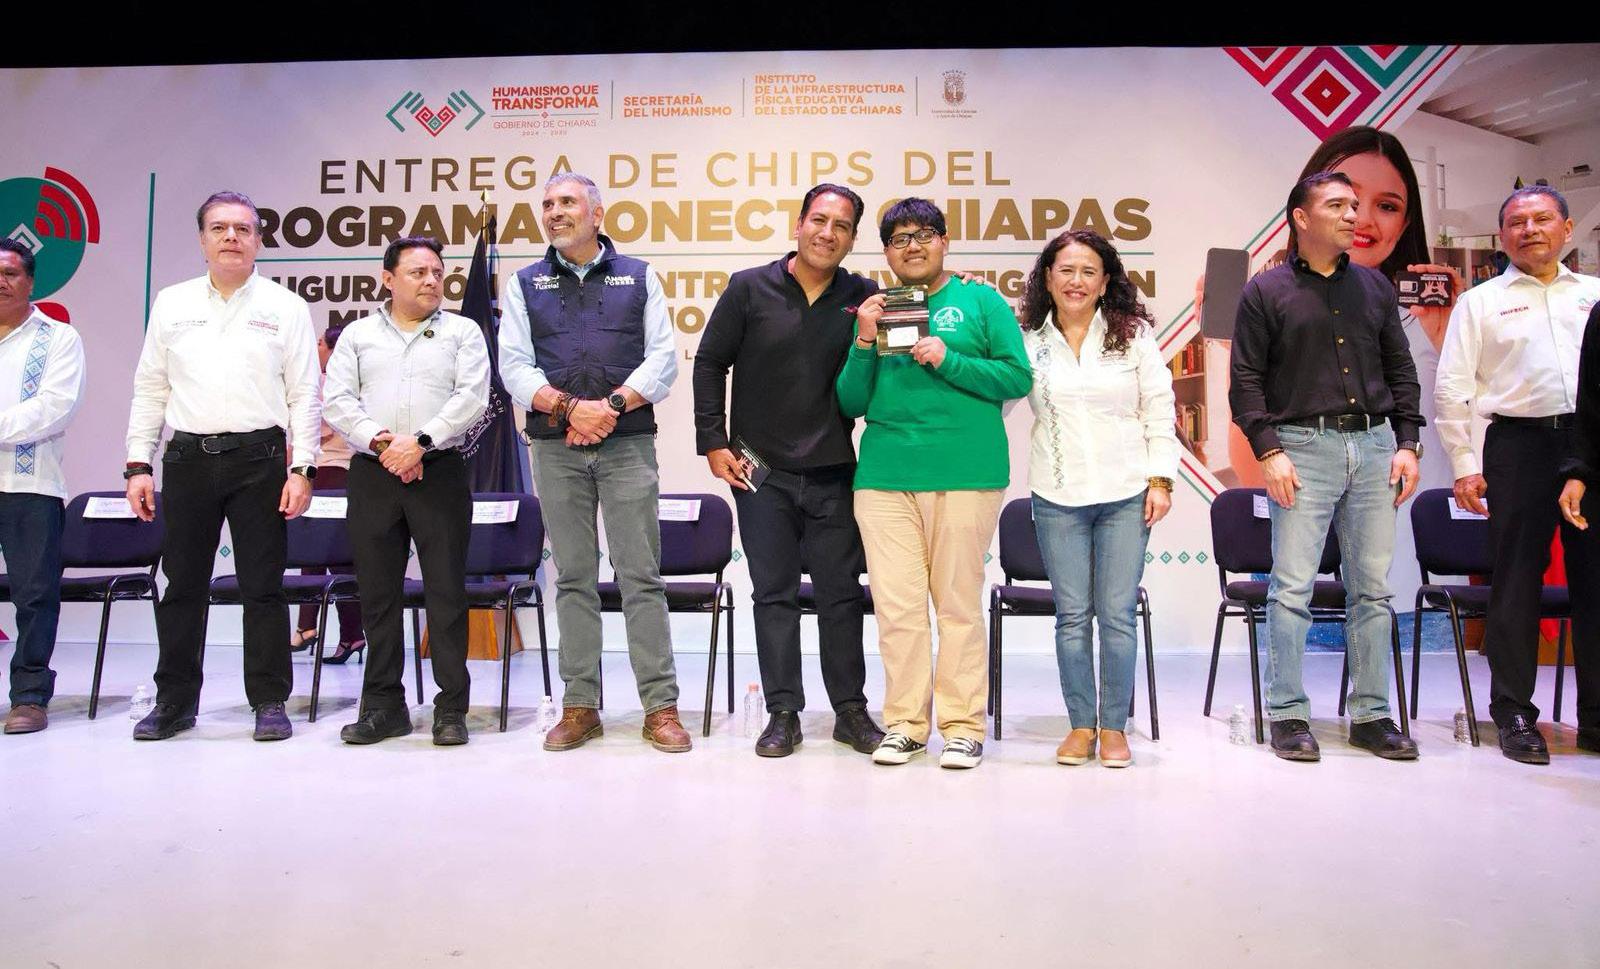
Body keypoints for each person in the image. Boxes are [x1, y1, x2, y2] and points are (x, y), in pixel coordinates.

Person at [1230, 171, 1423, 762]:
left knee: (1373, 590)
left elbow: (1401, 370)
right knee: (1291, 588)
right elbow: (1245, 382)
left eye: (1355, 205)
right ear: (1301, 217)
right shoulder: (1265, 292)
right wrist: (1269, 451)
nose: (1352, 216)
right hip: (1301, 448)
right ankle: (1288, 713)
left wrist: (1408, 442)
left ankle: (1371, 714)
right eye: (1337, 205)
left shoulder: (1374, 288)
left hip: (1375, 446)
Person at [498, 173, 690, 753]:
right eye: (547, 204)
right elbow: (513, 365)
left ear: (597, 214)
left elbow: (663, 359)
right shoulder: (524, 283)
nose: (555, 212)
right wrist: (568, 409)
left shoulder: (639, 276)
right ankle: (580, 705)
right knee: (574, 578)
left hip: (626, 442)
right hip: (555, 447)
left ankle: (660, 708)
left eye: (567, 203)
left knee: (641, 577)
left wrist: (609, 407)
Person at [692, 183, 885, 758]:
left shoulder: (863, 295)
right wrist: (713, 442)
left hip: (834, 470)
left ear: (852, 238)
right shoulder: (749, 287)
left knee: (840, 597)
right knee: (773, 595)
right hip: (761, 474)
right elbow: (710, 363)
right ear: (798, 225)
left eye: (842, 226)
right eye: (819, 220)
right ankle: (782, 713)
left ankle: (850, 711)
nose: (828, 233)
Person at [838, 197, 1031, 769]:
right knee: (897, 611)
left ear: (945, 242)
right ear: (886, 252)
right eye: (899, 239)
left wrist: (949, 360)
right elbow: (850, 401)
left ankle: (964, 727)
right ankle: (905, 725)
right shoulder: (877, 308)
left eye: (924, 234)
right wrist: (864, 339)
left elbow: (1017, 377)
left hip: (966, 473)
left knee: (958, 608)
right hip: (885, 478)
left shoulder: (980, 300)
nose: (913, 246)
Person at [124, 190, 320, 742]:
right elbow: (150, 388)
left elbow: (305, 393)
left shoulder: (285, 307)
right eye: (219, 228)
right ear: (202, 239)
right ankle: (174, 702)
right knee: (183, 585)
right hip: (187, 458)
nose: (231, 237)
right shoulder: (172, 303)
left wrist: (303, 467)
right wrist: (138, 463)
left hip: (261, 460)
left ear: (258, 240)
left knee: (263, 586)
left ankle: (269, 701)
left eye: (242, 228)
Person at [1437, 186, 1600, 764]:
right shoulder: (1480, 302)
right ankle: (1513, 713)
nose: (1530, 229)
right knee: (1516, 581)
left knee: (1595, 581)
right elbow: (1453, 388)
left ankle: (1595, 719)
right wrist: (1465, 464)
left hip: (1592, 444)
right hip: (1518, 445)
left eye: (1542, 219)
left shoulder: (1594, 295)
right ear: (1502, 236)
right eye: (1517, 222)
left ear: (1567, 228)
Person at [1018, 230, 1178, 768]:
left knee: (1117, 615)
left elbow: (1159, 408)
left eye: (1089, 271)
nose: (1077, 281)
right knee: (1071, 616)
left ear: (1105, 281)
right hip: (1057, 494)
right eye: (1066, 270)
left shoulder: (1133, 337)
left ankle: (1113, 727)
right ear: (1047, 278)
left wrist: (1161, 480)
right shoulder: (1028, 340)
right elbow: (997, 395)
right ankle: (1080, 724)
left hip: (1125, 494)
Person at [1286, 128, 1461, 611]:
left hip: (1412, 568)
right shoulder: (1272, 298)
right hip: (1308, 561)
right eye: (1342, 196)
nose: (1360, 217)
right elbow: (1252, 454)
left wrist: (1449, 341)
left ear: (1405, 225)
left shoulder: (1431, 315)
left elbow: (1479, 432)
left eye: (1386, 206)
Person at [323, 236, 488, 746]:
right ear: (388, 279)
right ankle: (383, 707)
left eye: (438, 272)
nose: (432, 281)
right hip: (373, 473)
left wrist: (418, 444)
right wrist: (384, 443)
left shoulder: (463, 331)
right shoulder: (357, 335)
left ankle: (451, 709)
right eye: (418, 273)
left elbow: (472, 397)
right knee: (378, 594)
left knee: (446, 592)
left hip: (439, 470)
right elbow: (337, 400)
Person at [0, 239, 86, 734]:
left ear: (30, 282)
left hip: (29, 484)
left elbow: (54, 408)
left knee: (34, 596)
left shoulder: (57, 338)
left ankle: (29, 697)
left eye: (11, 273)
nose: (1, 281)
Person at [292, 321, 365, 663]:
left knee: (322, 554)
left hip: (330, 472)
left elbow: (315, 429)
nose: (316, 348)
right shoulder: (353, 383)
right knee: (336, 558)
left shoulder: (328, 383)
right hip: (343, 474)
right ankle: (345, 634)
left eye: (321, 342)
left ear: (334, 350)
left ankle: (314, 629)